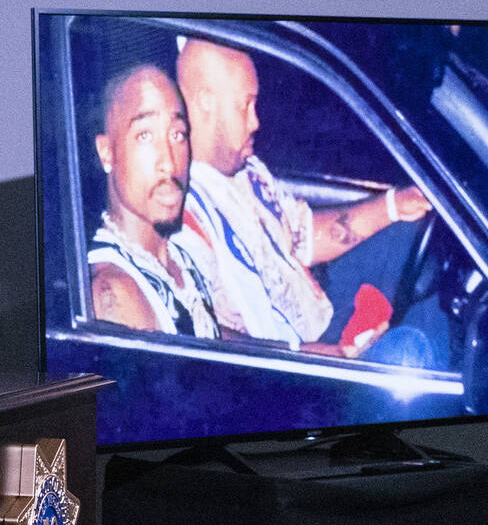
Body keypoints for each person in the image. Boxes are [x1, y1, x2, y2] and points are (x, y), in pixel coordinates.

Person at [174, 38, 432, 353]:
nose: (256, 121)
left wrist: (393, 206)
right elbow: (201, 333)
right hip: (288, 357)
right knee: (420, 341)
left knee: (411, 231)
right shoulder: (179, 211)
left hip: (317, 309)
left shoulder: (247, 170)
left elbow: (305, 235)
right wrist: (314, 355)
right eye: (245, 105)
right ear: (205, 102)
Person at [89, 64, 219, 338]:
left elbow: (211, 338)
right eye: (145, 136)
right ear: (107, 152)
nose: (169, 163)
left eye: (177, 135)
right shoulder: (117, 291)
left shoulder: (175, 257)